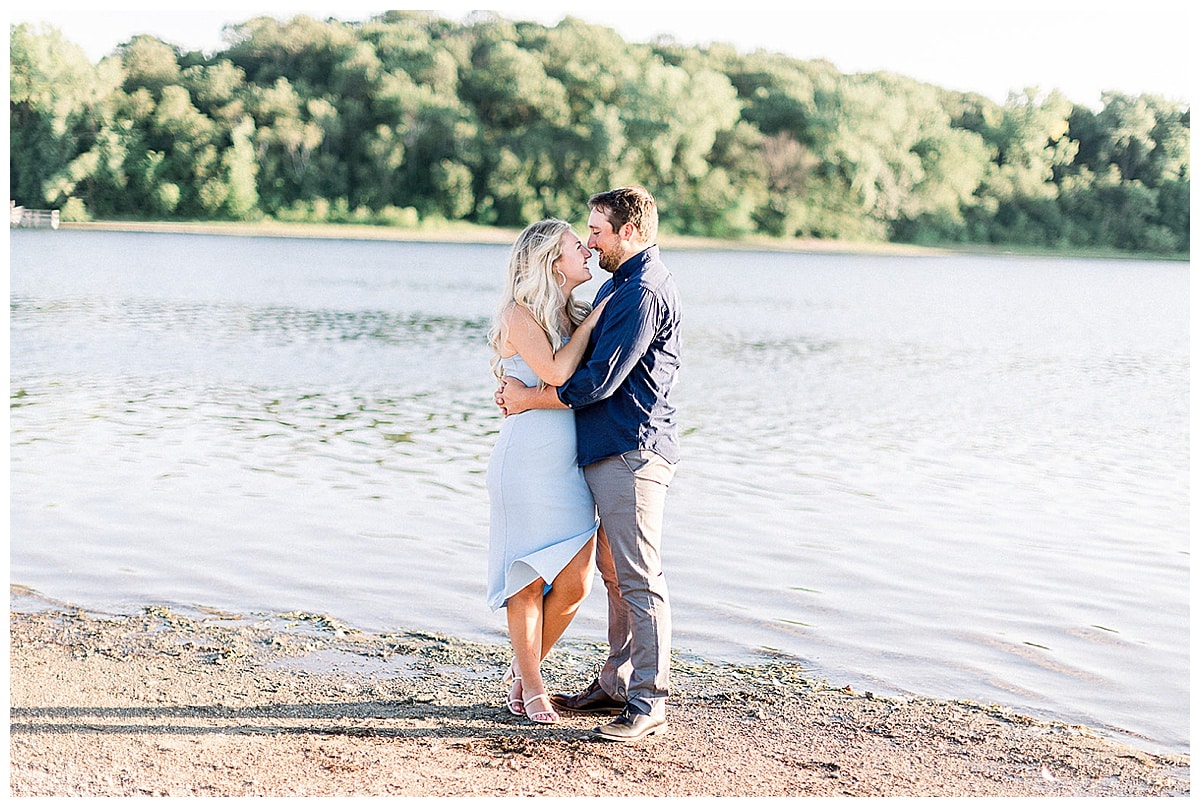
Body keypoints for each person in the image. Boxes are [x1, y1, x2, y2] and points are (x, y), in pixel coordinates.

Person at [496, 186, 680, 743]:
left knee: (636, 576)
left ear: (627, 231)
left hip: (631, 449)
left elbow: (597, 382)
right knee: (613, 573)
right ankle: (617, 683)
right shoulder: (616, 288)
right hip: (589, 455)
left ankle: (647, 701)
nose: (591, 242)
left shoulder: (640, 291)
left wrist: (529, 399)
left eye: (596, 232)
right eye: (583, 238)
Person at [486, 218, 609, 725]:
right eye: (576, 245)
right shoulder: (520, 314)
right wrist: (591, 322)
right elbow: (558, 374)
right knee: (528, 578)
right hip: (528, 464)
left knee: (577, 582)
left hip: (570, 466)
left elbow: (587, 389)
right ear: (551, 262)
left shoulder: (571, 311)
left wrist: (587, 319)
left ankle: (521, 674)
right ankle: (534, 688)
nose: (587, 249)